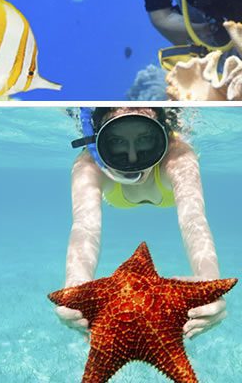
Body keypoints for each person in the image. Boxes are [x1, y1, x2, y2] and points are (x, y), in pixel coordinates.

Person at [56, 107, 226, 339]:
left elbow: (194, 218)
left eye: (146, 139)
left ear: (163, 135)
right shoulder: (89, 165)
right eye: (116, 141)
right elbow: (84, 226)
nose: (133, 158)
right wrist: (75, 286)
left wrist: (211, 284)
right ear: (98, 144)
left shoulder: (178, 158)